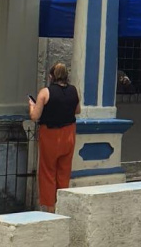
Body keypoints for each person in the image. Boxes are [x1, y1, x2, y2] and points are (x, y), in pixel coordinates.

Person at [29, 62, 80, 213]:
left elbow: (34, 116)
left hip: (50, 135)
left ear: (51, 76)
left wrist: (31, 105)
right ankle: (62, 206)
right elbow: (77, 110)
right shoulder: (73, 91)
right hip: (69, 133)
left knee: (47, 171)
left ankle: (50, 208)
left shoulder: (45, 92)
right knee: (64, 171)